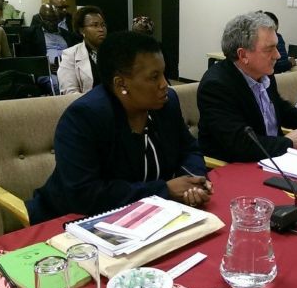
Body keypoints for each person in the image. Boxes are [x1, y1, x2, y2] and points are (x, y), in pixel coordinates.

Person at [26, 31, 212, 225]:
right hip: (72, 220)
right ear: (121, 84)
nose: (165, 84)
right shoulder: (84, 117)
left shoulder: (167, 103)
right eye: (154, 77)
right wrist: (164, 190)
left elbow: (189, 149)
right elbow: (84, 194)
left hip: (150, 216)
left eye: (164, 74)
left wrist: (194, 182)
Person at [197, 11, 297, 162]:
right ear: (243, 55)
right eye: (269, 49)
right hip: (237, 165)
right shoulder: (216, 86)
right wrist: (289, 142)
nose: (278, 55)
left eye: (276, 47)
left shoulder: (263, 72)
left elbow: (278, 107)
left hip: (274, 157)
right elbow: (239, 144)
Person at [58, 6, 106, 94]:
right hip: (87, 101)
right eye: (95, 25)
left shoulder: (114, 52)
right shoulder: (70, 55)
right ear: (81, 30)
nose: (101, 29)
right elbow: (70, 91)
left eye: (103, 25)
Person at [131, 15, 175, 82]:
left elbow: (166, 68)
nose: (138, 35)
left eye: (141, 32)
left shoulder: (157, 47)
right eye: (135, 31)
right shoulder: (130, 47)